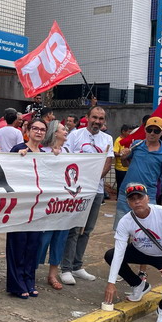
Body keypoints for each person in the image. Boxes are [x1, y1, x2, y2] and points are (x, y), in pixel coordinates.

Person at [104, 183, 162, 322]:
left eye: (140, 197)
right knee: (110, 255)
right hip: (140, 251)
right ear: (128, 202)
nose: (137, 202)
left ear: (147, 198)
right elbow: (119, 252)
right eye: (132, 199)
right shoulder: (125, 221)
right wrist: (111, 283)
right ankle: (139, 285)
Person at [60, 105, 115, 285]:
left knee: (88, 229)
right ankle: (66, 268)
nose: (97, 121)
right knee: (74, 229)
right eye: (94, 117)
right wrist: (82, 181)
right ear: (87, 117)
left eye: (101, 119)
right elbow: (67, 158)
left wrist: (93, 181)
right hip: (77, 191)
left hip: (96, 191)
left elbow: (108, 162)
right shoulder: (75, 135)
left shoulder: (107, 138)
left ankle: (77, 265)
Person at [115, 116, 162, 229]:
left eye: (156, 131)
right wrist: (123, 157)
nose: (152, 133)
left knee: (147, 231)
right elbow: (126, 165)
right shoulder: (136, 145)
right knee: (122, 229)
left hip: (147, 197)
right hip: (127, 193)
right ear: (145, 130)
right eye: (149, 129)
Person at [7, 118, 48, 298]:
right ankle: (17, 283)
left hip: (37, 206)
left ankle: (29, 280)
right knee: (18, 244)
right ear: (28, 131)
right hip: (19, 206)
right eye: (35, 128)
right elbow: (9, 171)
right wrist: (18, 158)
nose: (38, 132)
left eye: (42, 129)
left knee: (33, 245)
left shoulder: (44, 154)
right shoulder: (18, 149)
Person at [37, 120, 70, 290]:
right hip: (47, 202)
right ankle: (32, 270)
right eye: (63, 129)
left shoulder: (68, 152)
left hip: (64, 202)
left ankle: (53, 274)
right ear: (55, 132)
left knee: (60, 238)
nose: (66, 131)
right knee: (43, 238)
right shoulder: (42, 152)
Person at [113, 124, 131, 193]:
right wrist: (122, 154)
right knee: (120, 186)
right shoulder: (118, 141)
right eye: (128, 132)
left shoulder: (129, 139)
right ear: (123, 131)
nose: (129, 133)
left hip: (128, 168)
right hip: (120, 168)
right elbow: (115, 153)